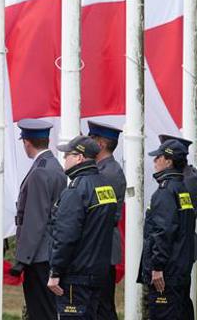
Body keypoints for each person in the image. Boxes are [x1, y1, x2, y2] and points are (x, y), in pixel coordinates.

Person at [48, 136, 118, 319]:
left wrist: (55, 271)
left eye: (67, 155)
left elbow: (65, 236)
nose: (64, 159)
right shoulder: (106, 186)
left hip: (75, 276)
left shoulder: (76, 191)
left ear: (79, 158)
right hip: (97, 273)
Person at [10, 119, 67, 320]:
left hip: (39, 255)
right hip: (50, 250)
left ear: (27, 142)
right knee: (48, 309)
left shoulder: (40, 172)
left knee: (40, 311)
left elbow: (35, 220)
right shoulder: (55, 166)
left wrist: (21, 259)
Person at [138, 139, 197, 320]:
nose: (155, 161)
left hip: (167, 272)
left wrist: (157, 267)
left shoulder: (166, 191)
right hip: (179, 268)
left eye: (158, 157)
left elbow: (163, 232)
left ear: (169, 161)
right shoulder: (182, 188)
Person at [87, 120, 126, 320]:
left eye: (91, 139)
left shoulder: (108, 172)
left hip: (102, 247)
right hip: (99, 248)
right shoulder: (103, 169)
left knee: (103, 307)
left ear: (100, 144)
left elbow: (99, 214)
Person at [159, 134, 197, 202]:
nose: (157, 160)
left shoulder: (183, 180)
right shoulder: (188, 174)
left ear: (169, 161)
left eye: (161, 157)